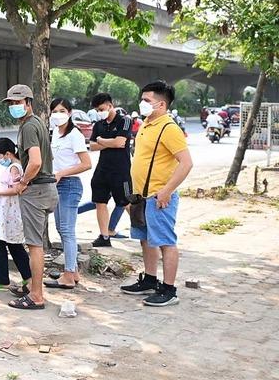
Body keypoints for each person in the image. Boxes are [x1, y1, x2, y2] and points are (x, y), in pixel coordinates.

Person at [120, 81, 193, 307]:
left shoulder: (168, 128)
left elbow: (186, 163)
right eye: (142, 99)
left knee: (165, 242)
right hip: (141, 197)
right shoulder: (145, 125)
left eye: (146, 100)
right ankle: (150, 280)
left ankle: (169, 290)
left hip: (159, 197)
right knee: (145, 240)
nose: (141, 104)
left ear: (161, 104)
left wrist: (166, 191)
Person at [2, 84, 58, 310]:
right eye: (11, 103)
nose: (14, 107)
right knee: (36, 244)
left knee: (35, 246)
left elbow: (35, 161)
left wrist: (23, 181)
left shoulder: (28, 127)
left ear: (28, 103)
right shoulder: (36, 124)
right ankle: (32, 287)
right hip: (45, 188)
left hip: (36, 190)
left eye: (18, 103)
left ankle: (36, 296)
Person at [46, 98, 91, 290]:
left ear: (70, 112)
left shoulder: (75, 134)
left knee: (67, 231)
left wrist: (61, 173)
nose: (58, 114)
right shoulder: (56, 132)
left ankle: (68, 275)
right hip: (57, 185)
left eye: (62, 110)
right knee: (61, 229)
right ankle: (73, 272)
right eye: (54, 110)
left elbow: (86, 163)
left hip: (69, 185)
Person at [80, 92, 132, 245]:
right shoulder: (98, 125)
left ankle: (144, 231)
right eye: (97, 110)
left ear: (110, 105)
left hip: (121, 169)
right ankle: (105, 236)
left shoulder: (124, 121)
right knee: (99, 202)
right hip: (102, 169)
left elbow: (120, 143)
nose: (99, 112)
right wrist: (107, 142)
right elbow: (92, 146)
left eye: (102, 109)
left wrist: (102, 140)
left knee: (126, 201)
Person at [0, 138, 32, 293]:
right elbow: (10, 186)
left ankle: (2, 280)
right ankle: (28, 277)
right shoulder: (18, 165)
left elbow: (16, 189)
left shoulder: (14, 167)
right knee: (14, 244)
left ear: (7, 153)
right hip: (11, 211)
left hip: (8, 212)